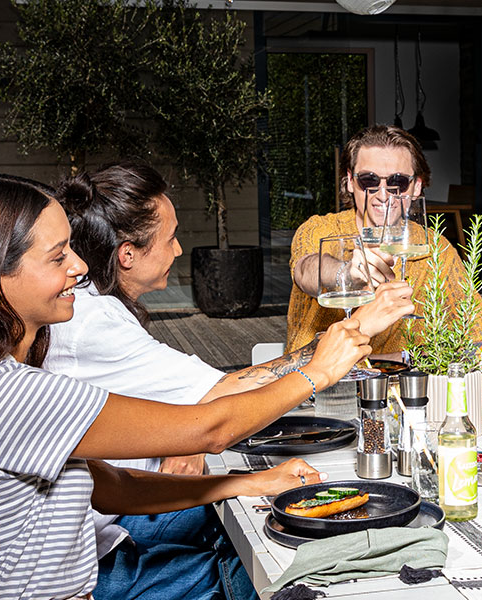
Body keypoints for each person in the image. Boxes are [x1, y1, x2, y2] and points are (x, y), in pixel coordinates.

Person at [0, 171, 379, 599]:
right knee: (284, 576)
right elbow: (210, 428)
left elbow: (110, 487)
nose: (82, 266)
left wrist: (248, 482)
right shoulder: (8, 396)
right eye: (57, 257)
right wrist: (319, 369)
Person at [46, 162, 415, 600]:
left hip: (120, 503)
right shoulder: (92, 320)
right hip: (104, 548)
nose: (181, 249)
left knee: (267, 513)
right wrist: (337, 347)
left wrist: (185, 445)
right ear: (127, 254)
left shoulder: (94, 307)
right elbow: (220, 400)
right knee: (272, 547)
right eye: (171, 238)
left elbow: (141, 412)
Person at [286, 124, 482, 354]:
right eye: (369, 181)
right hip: (317, 385)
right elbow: (306, 271)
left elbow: (480, 334)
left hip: (401, 387)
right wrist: (346, 274)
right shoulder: (320, 229)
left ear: (416, 187)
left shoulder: (435, 248)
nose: (383, 195)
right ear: (350, 182)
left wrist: (404, 360)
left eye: (398, 182)